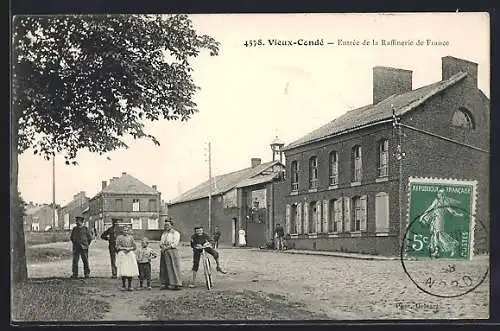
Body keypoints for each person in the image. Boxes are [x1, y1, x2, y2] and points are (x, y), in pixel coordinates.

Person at [418, 188, 464, 258]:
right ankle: (437, 251)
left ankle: (447, 248)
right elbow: (430, 208)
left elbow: (451, 211)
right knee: (435, 235)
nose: (441, 194)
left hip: (440, 220)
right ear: (437, 193)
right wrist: (422, 216)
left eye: (442, 193)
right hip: (434, 219)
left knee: (438, 235)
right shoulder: (436, 201)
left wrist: (459, 214)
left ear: (445, 194)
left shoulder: (445, 202)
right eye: (439, 193)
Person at [159, 220, 183, 290]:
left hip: (172, 251)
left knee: (173, 267)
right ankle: (165, 283)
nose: (166, 226)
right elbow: (161, 242)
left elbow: (175, 243)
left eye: (168, 225)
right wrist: (162, 246)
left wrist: (166, 248)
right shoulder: (164, 234)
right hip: (164, 251)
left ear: (172, 226)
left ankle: (176, 284)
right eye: (165, 225)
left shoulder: (175, 233)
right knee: (164, 267)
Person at [115, 226, 139, 291]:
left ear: (128, 231)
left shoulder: (131, 237)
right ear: (122, 231)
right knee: (123, 269)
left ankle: (130, 285)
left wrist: (129, 249)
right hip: (122, 254)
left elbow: (134, 247)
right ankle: (123, 285)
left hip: (129, 254)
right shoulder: (119, 237)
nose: (125, 231)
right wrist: (123, 248)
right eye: (124, 230)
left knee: (129, 269)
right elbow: (117, 246)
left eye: (126, 230)